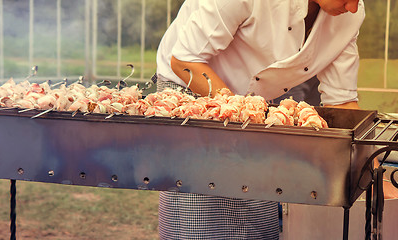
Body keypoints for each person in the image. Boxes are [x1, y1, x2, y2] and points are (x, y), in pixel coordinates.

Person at [155, 0, 365, 239]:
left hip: (252, 101)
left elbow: (342, 101)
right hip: (192, 86)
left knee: (257, 192)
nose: (353, 8)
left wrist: (369, 166)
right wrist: (239, 111)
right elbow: (185, 61)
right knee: (202, 204)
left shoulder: (349, 15)